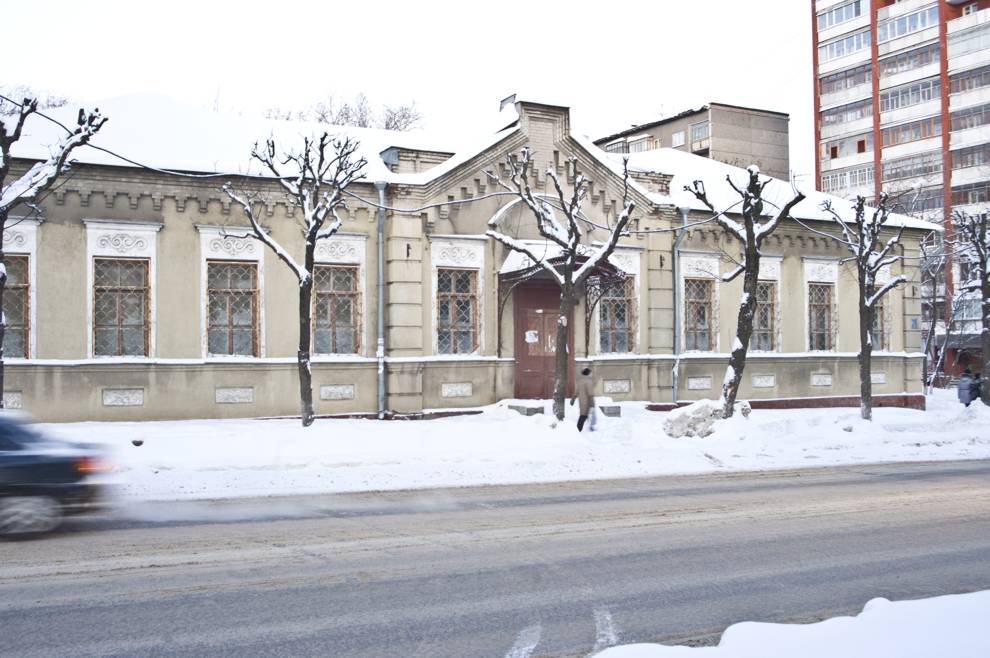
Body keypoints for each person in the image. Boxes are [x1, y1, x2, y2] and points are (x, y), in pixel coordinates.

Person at [571, 367, 595, 432]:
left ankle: (588, 428)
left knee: (584, 415)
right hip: (587, 402)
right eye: (591, 373)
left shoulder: (580, 381)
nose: (591, 374)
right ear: (588, 373)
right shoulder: (588, 381)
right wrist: (592, 403)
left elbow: (576, 391)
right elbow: (590, 393)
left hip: (581, 401)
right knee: (584, 416)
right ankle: (578, 430)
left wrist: (573, 398)